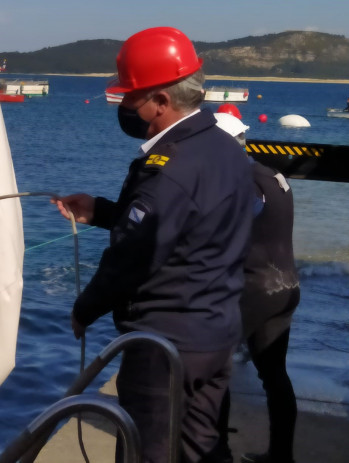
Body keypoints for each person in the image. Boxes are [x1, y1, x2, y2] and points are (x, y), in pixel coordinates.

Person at [53, 27, 254, 463]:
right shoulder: (226, 149)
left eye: (130, 98)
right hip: (216, 333)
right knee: (204, 448)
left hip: (167, 344)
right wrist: (103, 212)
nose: (125, 107)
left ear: (161, 102)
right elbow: (186, 225)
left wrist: (84, 308)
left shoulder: (169, 169)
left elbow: (134, 254)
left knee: (150, 451)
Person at [213, 108, 300, 463]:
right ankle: (281, 456)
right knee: (274, 373)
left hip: (254, 288)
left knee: (214, 369)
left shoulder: (240, 182)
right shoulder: (273, 174)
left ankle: (217, 452)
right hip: (286, 284)